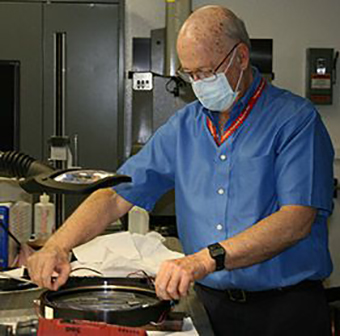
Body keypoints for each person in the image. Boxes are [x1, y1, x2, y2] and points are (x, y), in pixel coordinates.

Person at [27, 5, 334, 336]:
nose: (198, 84)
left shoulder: (294, 120)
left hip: (285, 310)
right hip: (211, 306)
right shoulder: (185, 126)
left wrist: (204, 259)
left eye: (205, 72)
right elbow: (117, 194)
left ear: (241, 57)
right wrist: (58, 245)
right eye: (190, 75)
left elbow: (295, 220)